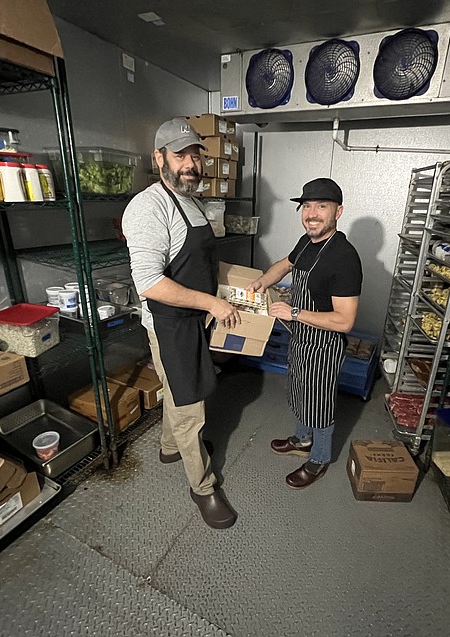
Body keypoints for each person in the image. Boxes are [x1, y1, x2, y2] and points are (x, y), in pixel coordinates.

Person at [121, 118, 241, 528]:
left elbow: (202, 262)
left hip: (195, 319)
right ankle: (202, 488)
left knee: (181, 389)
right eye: (180, 155)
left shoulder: (191, 200)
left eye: (195, 154)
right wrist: (212, 301)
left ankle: (170, 446)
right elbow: (151, 282)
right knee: (190, 404)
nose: (190, 163)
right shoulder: (147, 208)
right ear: (159, 158)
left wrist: (244, 285)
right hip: (171, 324)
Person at [247, 177, 362, 489]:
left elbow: (345, 321)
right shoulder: (306, 242)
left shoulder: (344, 257)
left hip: (324, 345)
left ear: (338, 211)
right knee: (299, 390)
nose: (312, 213)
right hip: (301, 338)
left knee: (320, 401)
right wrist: (263, 281)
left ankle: (319, 458)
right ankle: (301, 439)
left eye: (321, 206)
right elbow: (284, 265)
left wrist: (294, 312)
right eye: (306, 206)